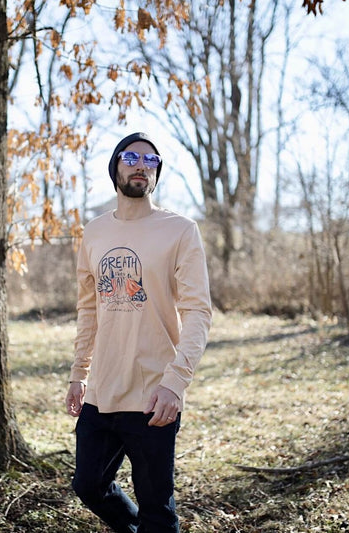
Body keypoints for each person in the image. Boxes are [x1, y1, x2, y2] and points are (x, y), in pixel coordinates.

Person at [65, 132, 212, 533]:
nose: (141, 165)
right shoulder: (94, 232)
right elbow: (89, 308)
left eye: (151, 160)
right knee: (88, 485)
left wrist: (175, 383)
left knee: (156, 511)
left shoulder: (180, 230)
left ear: (157, 172)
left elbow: (198, 312)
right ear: (114, 166)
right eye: (131, 157)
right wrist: (79, 373)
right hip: (101, 391)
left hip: (153, 396)